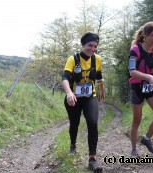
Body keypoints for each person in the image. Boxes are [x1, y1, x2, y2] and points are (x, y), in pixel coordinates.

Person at [62, 32, 104, 172]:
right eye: (89, 45)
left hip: (90, 97)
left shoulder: (97, 59)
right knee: (74, 123)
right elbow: (65, 78)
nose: (92, 49)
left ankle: (92, 159)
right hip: (73, 98)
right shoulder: (73, 59)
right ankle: (73, 145)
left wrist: (102, 91)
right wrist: (69, 93)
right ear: (83, 45)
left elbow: (99, 77)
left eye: (95, 46)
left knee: (92, 123)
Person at [128, 21, 153, 157]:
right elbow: (132, 71)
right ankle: (134, 149)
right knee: (137, 120)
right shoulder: (135, 50)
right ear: (145, 35)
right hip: (137, 87)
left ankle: (147, 138)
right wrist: (149, 77)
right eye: (152, 35)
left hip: (151, 87)